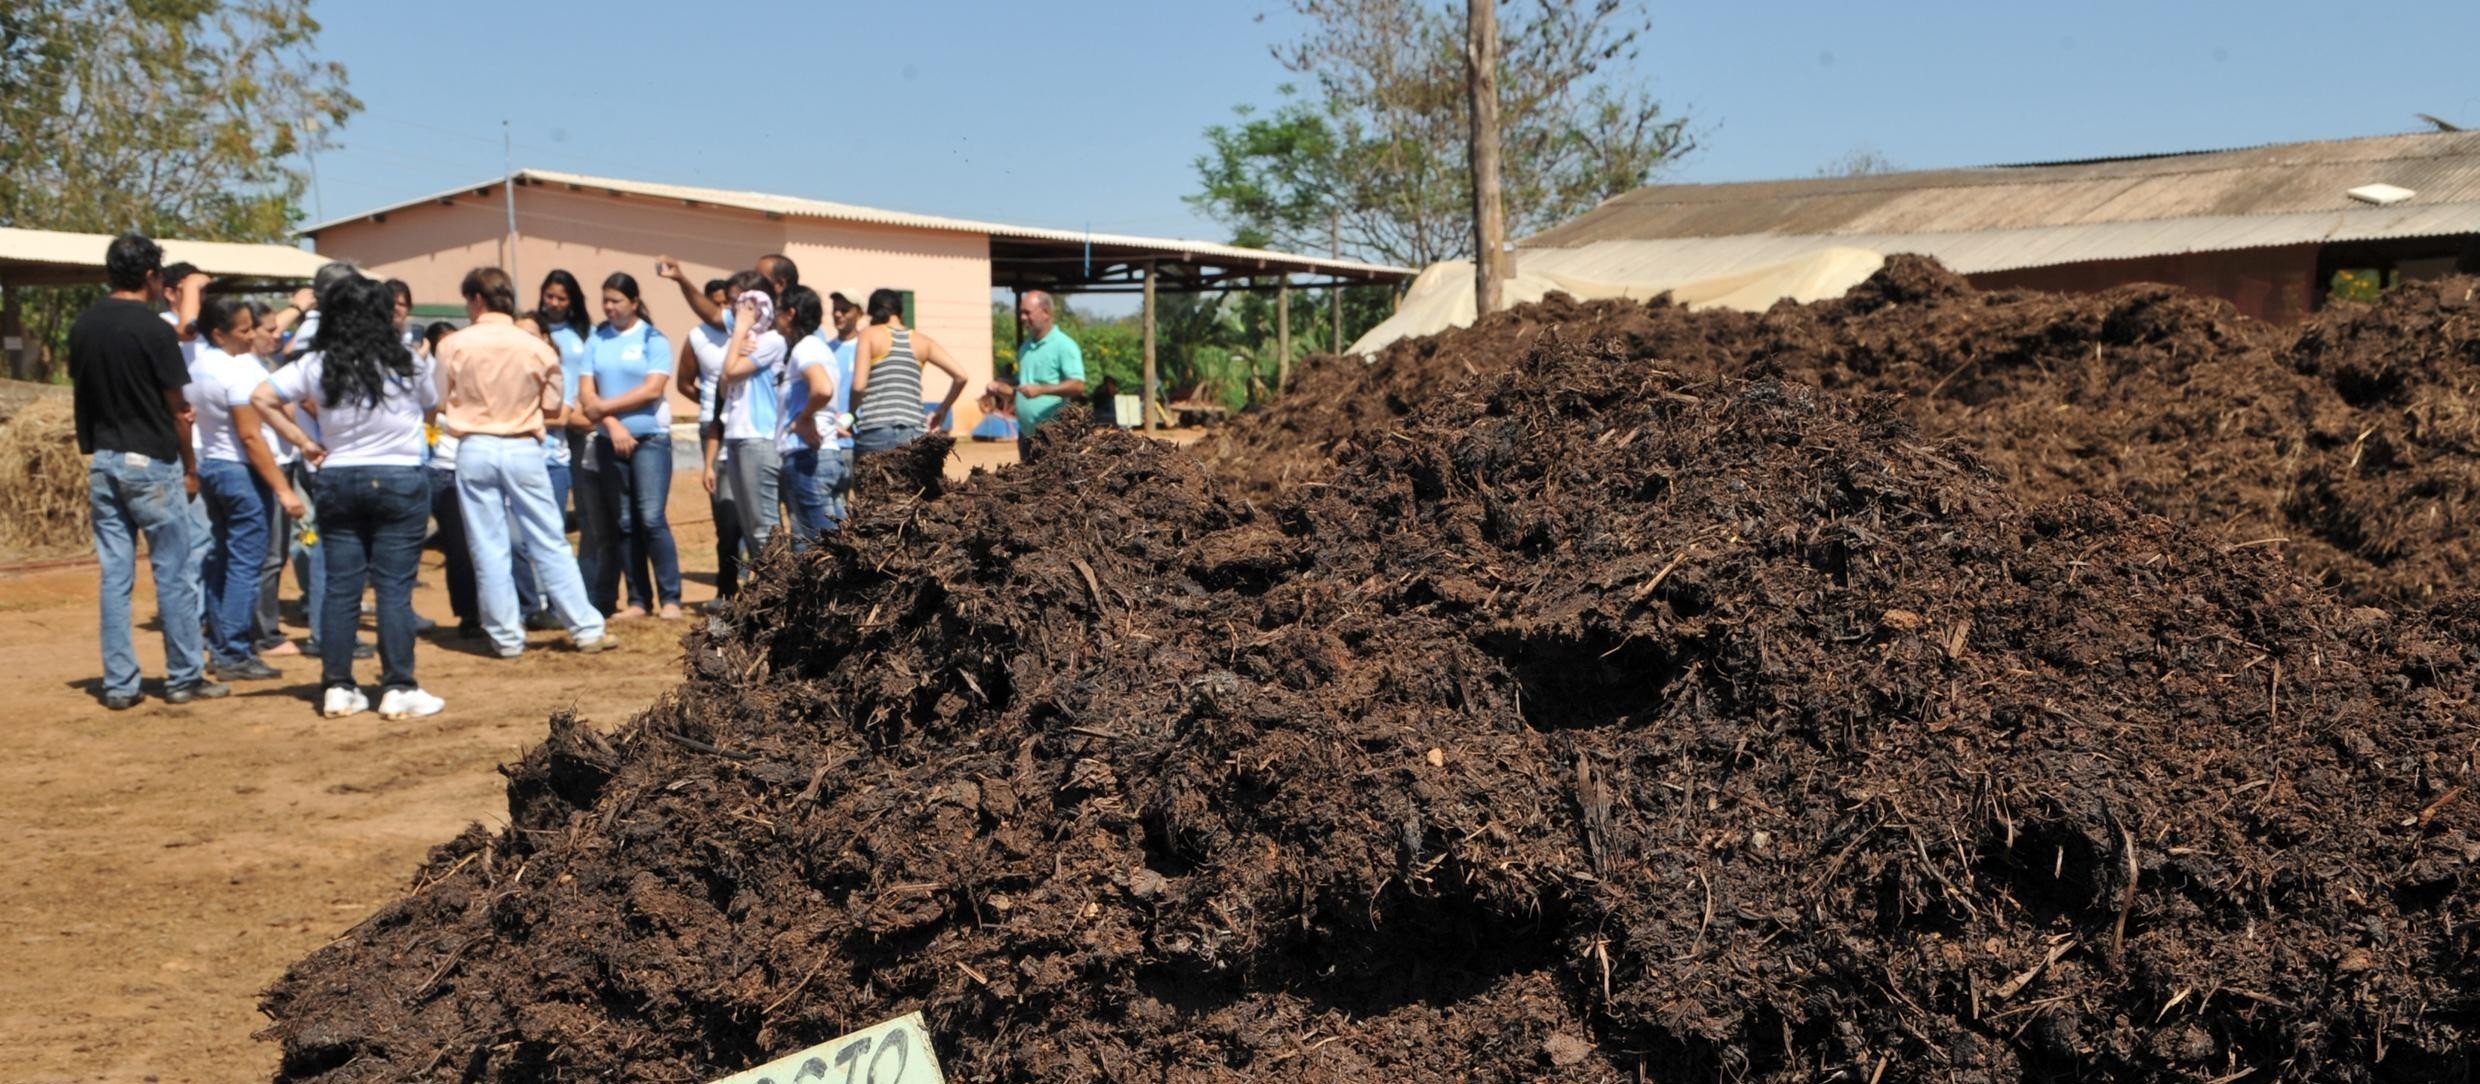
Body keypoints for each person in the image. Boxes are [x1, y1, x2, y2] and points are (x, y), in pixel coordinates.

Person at [252, 274, 445, 721]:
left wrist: (303, 441)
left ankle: (338, 686)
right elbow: (432, 403)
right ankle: (399, 686)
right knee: (394, 589)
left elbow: (261, 396)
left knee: (341, 588)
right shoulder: (406, 362)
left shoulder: (317, 362)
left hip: (337, 476)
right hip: (398, 477)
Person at [69, 233, 224, 709]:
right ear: (152, 276)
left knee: (115, 576)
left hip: (105, 461)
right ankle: (183, 676)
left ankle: (119, 684)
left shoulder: (83, 325)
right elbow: (178, 409)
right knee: (173, 573)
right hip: (152, 463)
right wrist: (191, 467)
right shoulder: (154, 330)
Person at [435, 267, 612, 658]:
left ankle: (506, 638)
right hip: (523, 446)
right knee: (549, 538)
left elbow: (441, 399)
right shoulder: (536, 345)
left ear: (477, 299)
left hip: (476, 446)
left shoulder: (453, 344)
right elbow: (552, 406)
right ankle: (584, 627)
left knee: (488, 544)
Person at [187, 297, 306, 683]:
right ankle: (234, 650)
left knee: (224, 558)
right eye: (243, 329)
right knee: (244, 564)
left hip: (212, 467)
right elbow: (251, 437)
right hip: (241, 472)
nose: (250, 335)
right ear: (219, 333)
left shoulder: (198, 364)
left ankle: (221, 642)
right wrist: (284, 490)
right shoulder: (238, 372)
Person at [580, 272, 681, 620]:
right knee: (624, 522)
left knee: (651, 518)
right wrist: (612, 426)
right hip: (611, 442)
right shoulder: (596, 339)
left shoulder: (654, 338)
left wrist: (604, 410)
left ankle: (671, 597)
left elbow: (653, 390)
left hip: (651, 439)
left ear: (634, 302)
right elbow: (586, 393)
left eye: (617, 301)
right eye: (605, 300)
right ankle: (639, 599)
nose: (610, 307)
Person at [240, 301, 304, 658]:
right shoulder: (252, 372)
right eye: (269, 330)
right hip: (270, 466)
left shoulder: (262, 366)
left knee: (273, 553)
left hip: (279, 462)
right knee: (269, 554)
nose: (276, 335)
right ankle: (263, 633)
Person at [675, 278, 744, 603]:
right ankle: (727, 587)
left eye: (728, 302)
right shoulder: (698, 337)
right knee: (725, 514)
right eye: (717, 303)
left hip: (745, 429)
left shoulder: (748, 338)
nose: (723, 309)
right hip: (715, 426)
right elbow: (684, 383)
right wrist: (711, 399)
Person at [712, 273, 787, 560]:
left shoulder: (772, 340)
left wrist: (740, 331)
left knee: (763, 526)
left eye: (740, 303)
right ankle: (766, 590)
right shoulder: (742, 341)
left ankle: (782, 590)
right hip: (735, 436)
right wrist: (737, 341)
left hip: (758, 438)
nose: (734, 310)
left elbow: (730, 372)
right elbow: (724, 384)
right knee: (748, 525)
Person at [538, 269, 602, 604]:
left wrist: (582, 413)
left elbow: (592, 377)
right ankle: (547, 593)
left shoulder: (586, 333)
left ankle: (585, 588)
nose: (555, 303)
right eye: (550, 296)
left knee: (589, 514)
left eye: (562, 298)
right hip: (551, 432)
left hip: (583, 426)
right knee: (551, 515)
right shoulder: (536, 331)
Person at [850, 287, 969, 454]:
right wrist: (942, 409)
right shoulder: (923, 341)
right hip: (914, 434)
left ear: (872, 313)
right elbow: (961, 376)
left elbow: (858, 386)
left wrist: (851, 415)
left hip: (875, 431)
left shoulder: (868, 335)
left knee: (872, 479)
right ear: (900, 313)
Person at [417, 321, 478, 637]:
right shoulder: (425, 378)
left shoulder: (471, 375)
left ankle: (472, 614)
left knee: (464, 547)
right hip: (432, 469)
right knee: (421, 544)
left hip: (462, 469)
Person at [985, 290, 1086, 463]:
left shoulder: (1064, 345)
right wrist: (1001, 385)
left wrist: (1041, 390)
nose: (1022, 318)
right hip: (1025, 434)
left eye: (1027, 312)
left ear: (1046, 312)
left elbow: (1078, 385)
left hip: (1053, 436)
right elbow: (1024, 383)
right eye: (1021, 313)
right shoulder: (1025, 347)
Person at [774, 286, 841, 544]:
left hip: (808, 457)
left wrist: (803, 418)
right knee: (837, 547)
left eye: (778, 311)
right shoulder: (819, 347)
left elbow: (822, 388)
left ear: (790, 313)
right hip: (824, 455)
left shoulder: (806, 347)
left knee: (820, 551)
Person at [385, 279, 416, 351]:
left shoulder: (414, 343)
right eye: (391, 303)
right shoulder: (371, 340)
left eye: (401, 304)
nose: (395, 308)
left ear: (409, 309)